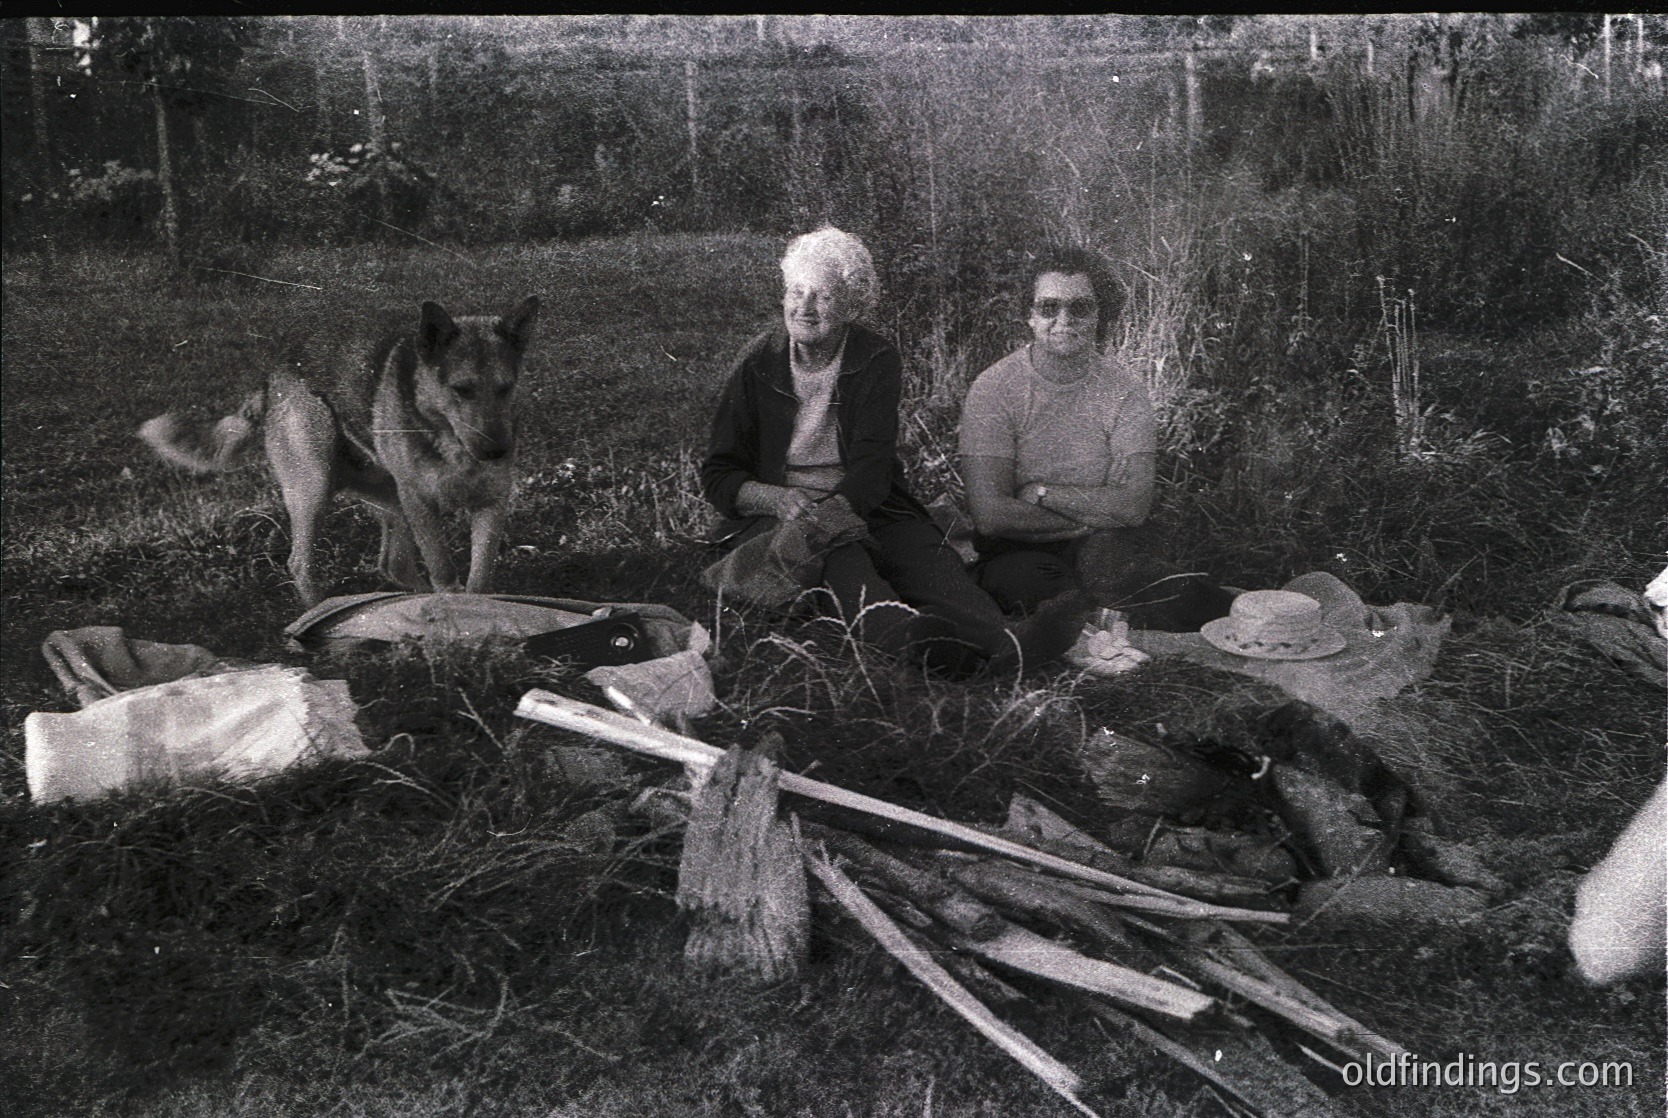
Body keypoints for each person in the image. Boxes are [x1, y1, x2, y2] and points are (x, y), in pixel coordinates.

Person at [700, 227, 1089, 676]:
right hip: (779, 516)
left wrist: (835, 514)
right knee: (844, 558)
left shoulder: (874, 357)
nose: (804, 308)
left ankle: (1007, 642)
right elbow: (719, 476)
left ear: (849, 305)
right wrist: (779, 499)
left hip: (866, 501)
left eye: (822, 297)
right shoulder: (756, 364)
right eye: (796, 291)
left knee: (926, 558)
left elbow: (870, 469)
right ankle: (909, 638)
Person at [959, 246, 1233, 631]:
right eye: (1049, 307)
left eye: (1080, 308)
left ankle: (1254, 616)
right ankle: (1105, 621)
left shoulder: (1125, 390)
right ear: (1030, 316)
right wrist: (1092, 514)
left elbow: (1134, 505)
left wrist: (1040, 492)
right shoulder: (994, 388)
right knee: (1044, 589)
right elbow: (990, 514)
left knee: (1125, 577)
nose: (1064, 320)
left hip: (1104, 542)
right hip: (1019, 546)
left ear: (1099, 315)